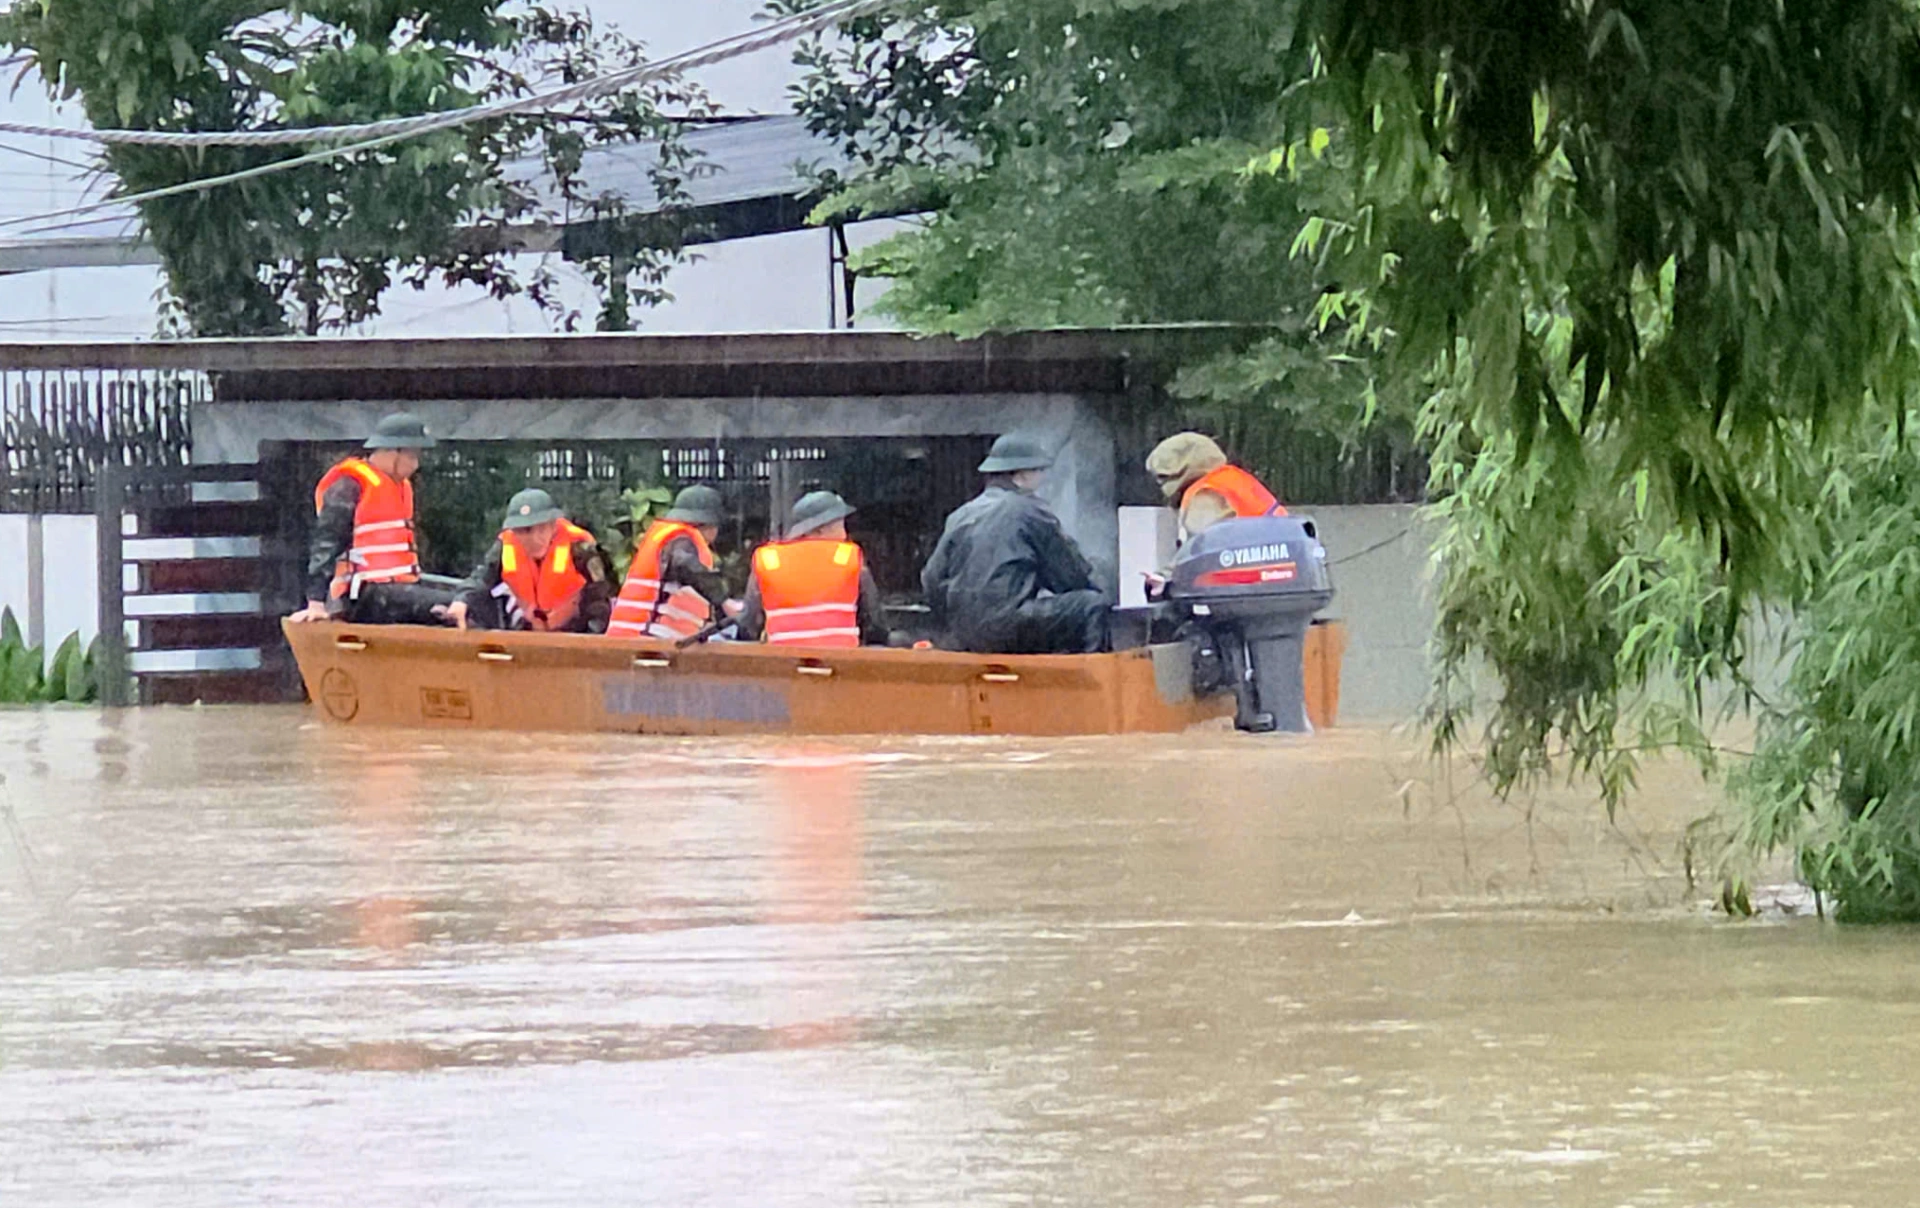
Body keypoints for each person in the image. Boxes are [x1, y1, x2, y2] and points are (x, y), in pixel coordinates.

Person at [919, 433, 1109, 655]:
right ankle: (1092, 682)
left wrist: (957, 623)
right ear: (1020, 475)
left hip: (964, 632)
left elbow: (932, 580)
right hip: (1009, 626)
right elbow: (1071, 576)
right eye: (1038, 470)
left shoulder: (961, 514)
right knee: (1093, 604)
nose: (1042, 477)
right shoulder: (1029, 510)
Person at [290, 412, 461, 626]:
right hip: (364, 595)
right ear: (392, 452)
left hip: (396, 588)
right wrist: (316, 602)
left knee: (468, 599)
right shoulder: (350, 486)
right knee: (451, 606)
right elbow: (326, 543)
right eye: (412, 456)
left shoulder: (400, 487)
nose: (416, 465)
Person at [446, 489, 613, 633]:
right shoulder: (505, 546)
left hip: (575, 633)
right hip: (531, 631)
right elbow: (481, 578)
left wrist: (591, 642)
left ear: (553, 525)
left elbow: (600, 602)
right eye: (524, 531)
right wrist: (462, 600)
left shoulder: (579, 548)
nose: (534, 538)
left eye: (541, 528)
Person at [736, 491, 889, 648]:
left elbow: (748, 624)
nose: (844, 534)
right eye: (841, 526)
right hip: (841, 664)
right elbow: (875, 622)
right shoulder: (847, 556)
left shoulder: (769, 560)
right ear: (820, 529)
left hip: (783, 663)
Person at [606, 484, 740, 640]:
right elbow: (687, 567)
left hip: (632, 636)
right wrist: (723, 600)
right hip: (649, 638)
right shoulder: (681, 540)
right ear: (709, 525)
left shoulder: (663, 537)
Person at [1144, 431, 1285, 543]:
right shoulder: (1233, 479)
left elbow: (1202, 548)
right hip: (1280, 564)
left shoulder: (1205, 494)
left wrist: (1166, 575)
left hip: (1244, 575)